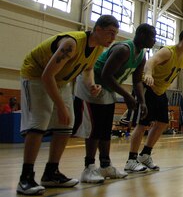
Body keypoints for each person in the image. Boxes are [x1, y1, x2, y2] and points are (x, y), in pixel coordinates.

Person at [17, 15, 119, 195]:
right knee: (38, 124)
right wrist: (61, 105)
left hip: (61, 81)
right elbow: (47, 75)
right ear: (97, 29)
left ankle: (51, 173)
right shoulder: (71, 44)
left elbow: (87, 70)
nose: (113, 38)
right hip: (36, 75)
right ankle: (25, 178)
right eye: (110, 33)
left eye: (115, 34)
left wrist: (91, 85)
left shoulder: (97, 49)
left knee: (66, 124)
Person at [73, 23, 157, 183]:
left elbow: (137, 80)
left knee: (105, 129)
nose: (154, 40)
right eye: (152, 37)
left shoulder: (141, 54)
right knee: (95, 129)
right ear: (142, 36)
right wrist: (126, 96)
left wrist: (142, 101)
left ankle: (105, 165)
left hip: (107, 88)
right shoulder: (124, 49)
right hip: (93, 85)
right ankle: (88, 168)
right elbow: (105, 74)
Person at [125, 28, 183, 172]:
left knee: (162, 123)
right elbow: (152, 61)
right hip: (147, 89)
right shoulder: (168, 51)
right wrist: (148, 73)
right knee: (142, 124)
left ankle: (145, 155)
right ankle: (131, 159)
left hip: (160, 91)